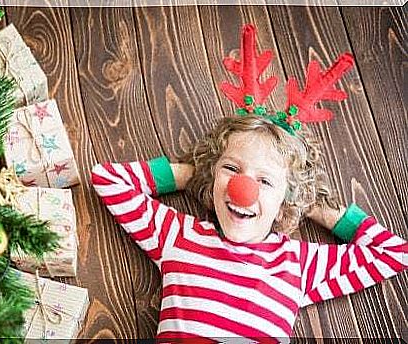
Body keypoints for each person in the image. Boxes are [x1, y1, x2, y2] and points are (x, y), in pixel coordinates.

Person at [90, 24, 408, 341]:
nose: (243, 189)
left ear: (285, 198)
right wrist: (196, 172)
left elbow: (393, 253)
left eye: (266, 181)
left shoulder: (299, 264)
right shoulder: (179, 237)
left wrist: (313, 207)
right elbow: (108, 180)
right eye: (232, 168)